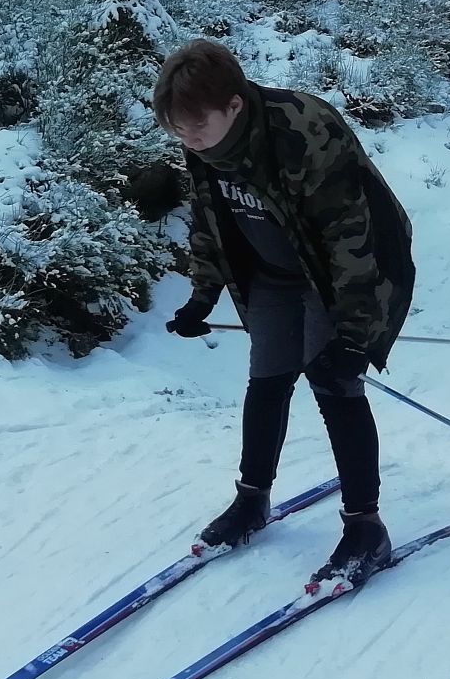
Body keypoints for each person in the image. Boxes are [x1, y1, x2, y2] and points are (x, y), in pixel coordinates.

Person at [155, 38, 416, 587]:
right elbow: (210, 220)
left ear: (234, 105)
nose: (188, 139)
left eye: (195, 127)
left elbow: (352, 237)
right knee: (268, 377)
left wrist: (355, 334)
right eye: (178, 130)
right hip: (271, 272)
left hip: (336, 271)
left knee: (334, 383)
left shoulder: (303, 130)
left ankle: (365, 528)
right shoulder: (204, 142)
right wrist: (203, 295)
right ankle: (251, 499)